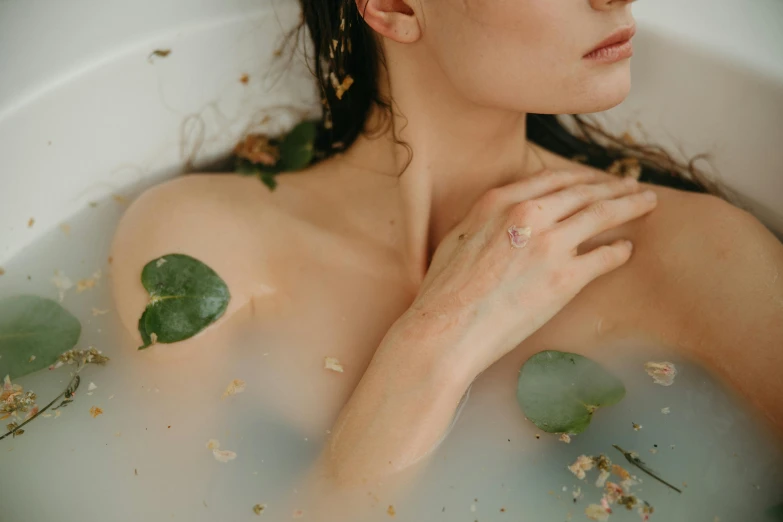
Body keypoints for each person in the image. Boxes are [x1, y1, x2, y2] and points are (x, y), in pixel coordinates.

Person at [111, 0, 783, 490]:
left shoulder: (698, 255)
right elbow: (158, 499)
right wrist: (437, 336)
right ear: (394, 6)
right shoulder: (202, 244)